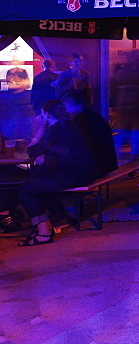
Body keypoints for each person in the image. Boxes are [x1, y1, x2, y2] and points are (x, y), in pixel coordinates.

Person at [16, 100, 94, 246]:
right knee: (39, 183)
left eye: (41, 112)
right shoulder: (66, 126)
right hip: (79, 172)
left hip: (73, 175)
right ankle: (57, 219)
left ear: (46, 114)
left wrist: (41, 129)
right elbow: (40, 151)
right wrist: (44, 153)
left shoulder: (56, 130)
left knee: (26, 189)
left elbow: (32, 150)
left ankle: (44, 232)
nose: (39, 115)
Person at [63, 89, 117, 179]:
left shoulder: (82, 120)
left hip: (96, 166)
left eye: (66, 103)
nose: (64, 107)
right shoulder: (92, 116)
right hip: (105, 164)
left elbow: (80, 146)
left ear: (77, 104)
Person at [110, 50, 139, 161]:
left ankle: (117, 163)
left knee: (120, 136)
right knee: (136, 137)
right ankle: (134, 163)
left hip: (123, 109)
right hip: (138, 109)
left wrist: (116, 105)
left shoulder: (120, 74)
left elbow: (113, 91)